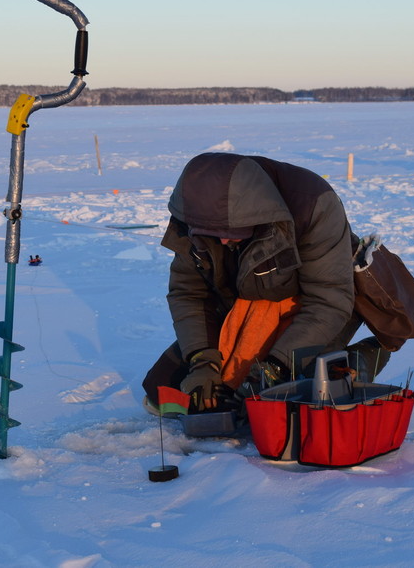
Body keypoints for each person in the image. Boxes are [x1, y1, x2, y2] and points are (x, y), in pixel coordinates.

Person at [141, 153, 398, 415]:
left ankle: (356, 361)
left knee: (273, 405)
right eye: (214, 236)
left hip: (310, 309)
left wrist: (276, 367)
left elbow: (329, 301)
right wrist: (202, 361)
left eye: (233, 236)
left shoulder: (313, 205)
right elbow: (189, 293)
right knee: (165, 393)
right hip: (240, 309)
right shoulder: (195, 216)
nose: (224, 243)